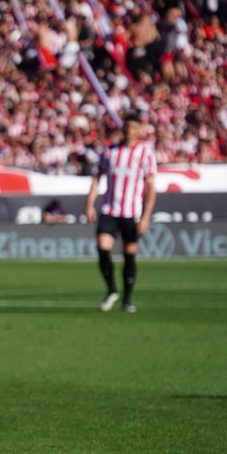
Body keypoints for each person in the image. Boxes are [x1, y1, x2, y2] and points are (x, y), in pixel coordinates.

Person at [85, 116, 156, 313]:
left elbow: (151, 187)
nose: (129, 131)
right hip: (109, 210)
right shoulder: (110, 152)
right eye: (127, 127)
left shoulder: (145, 154)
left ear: (139, 131)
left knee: (129, 254)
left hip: (131, 212)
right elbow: (96, 179)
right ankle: (112, 290)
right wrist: (89, 205)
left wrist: (146, 216)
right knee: (102, 247)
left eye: (133, 127)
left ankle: (127, 299)